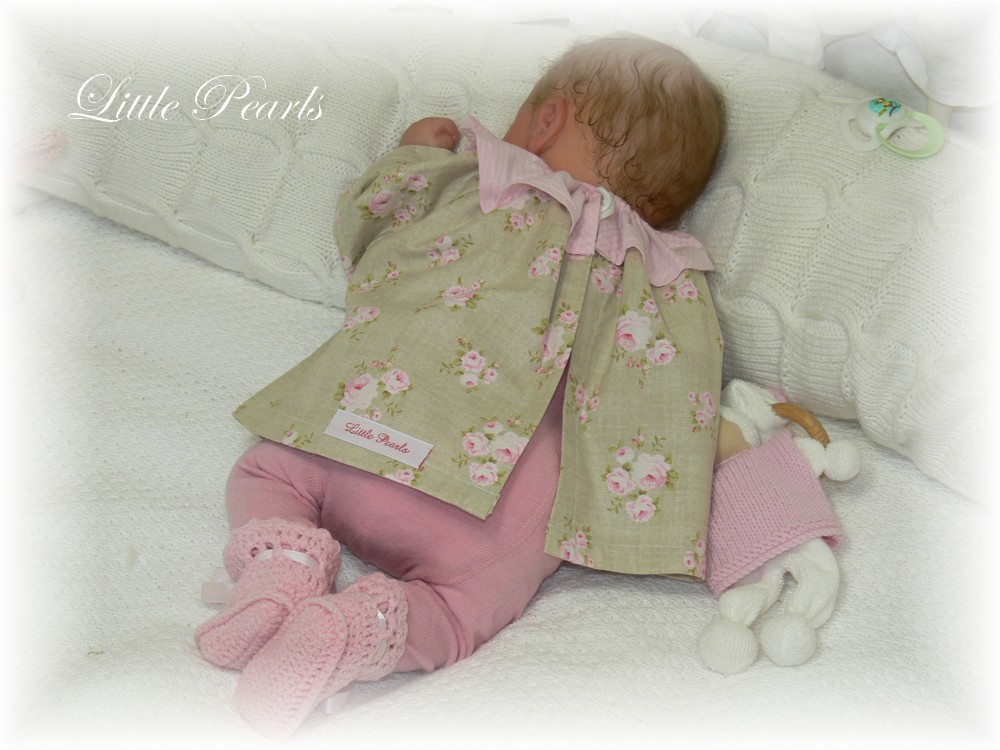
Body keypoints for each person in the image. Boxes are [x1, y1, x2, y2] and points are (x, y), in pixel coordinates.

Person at [194, 35, 839, 738]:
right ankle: (359, 629)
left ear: (546, 120)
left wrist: (413, 156)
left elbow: (370, 227)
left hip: (359, 431)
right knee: (460, 609)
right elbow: (669, 422)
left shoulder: (486, 185)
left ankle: (283, 563)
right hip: (487, 518)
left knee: (269, 468)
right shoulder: (670, 286)